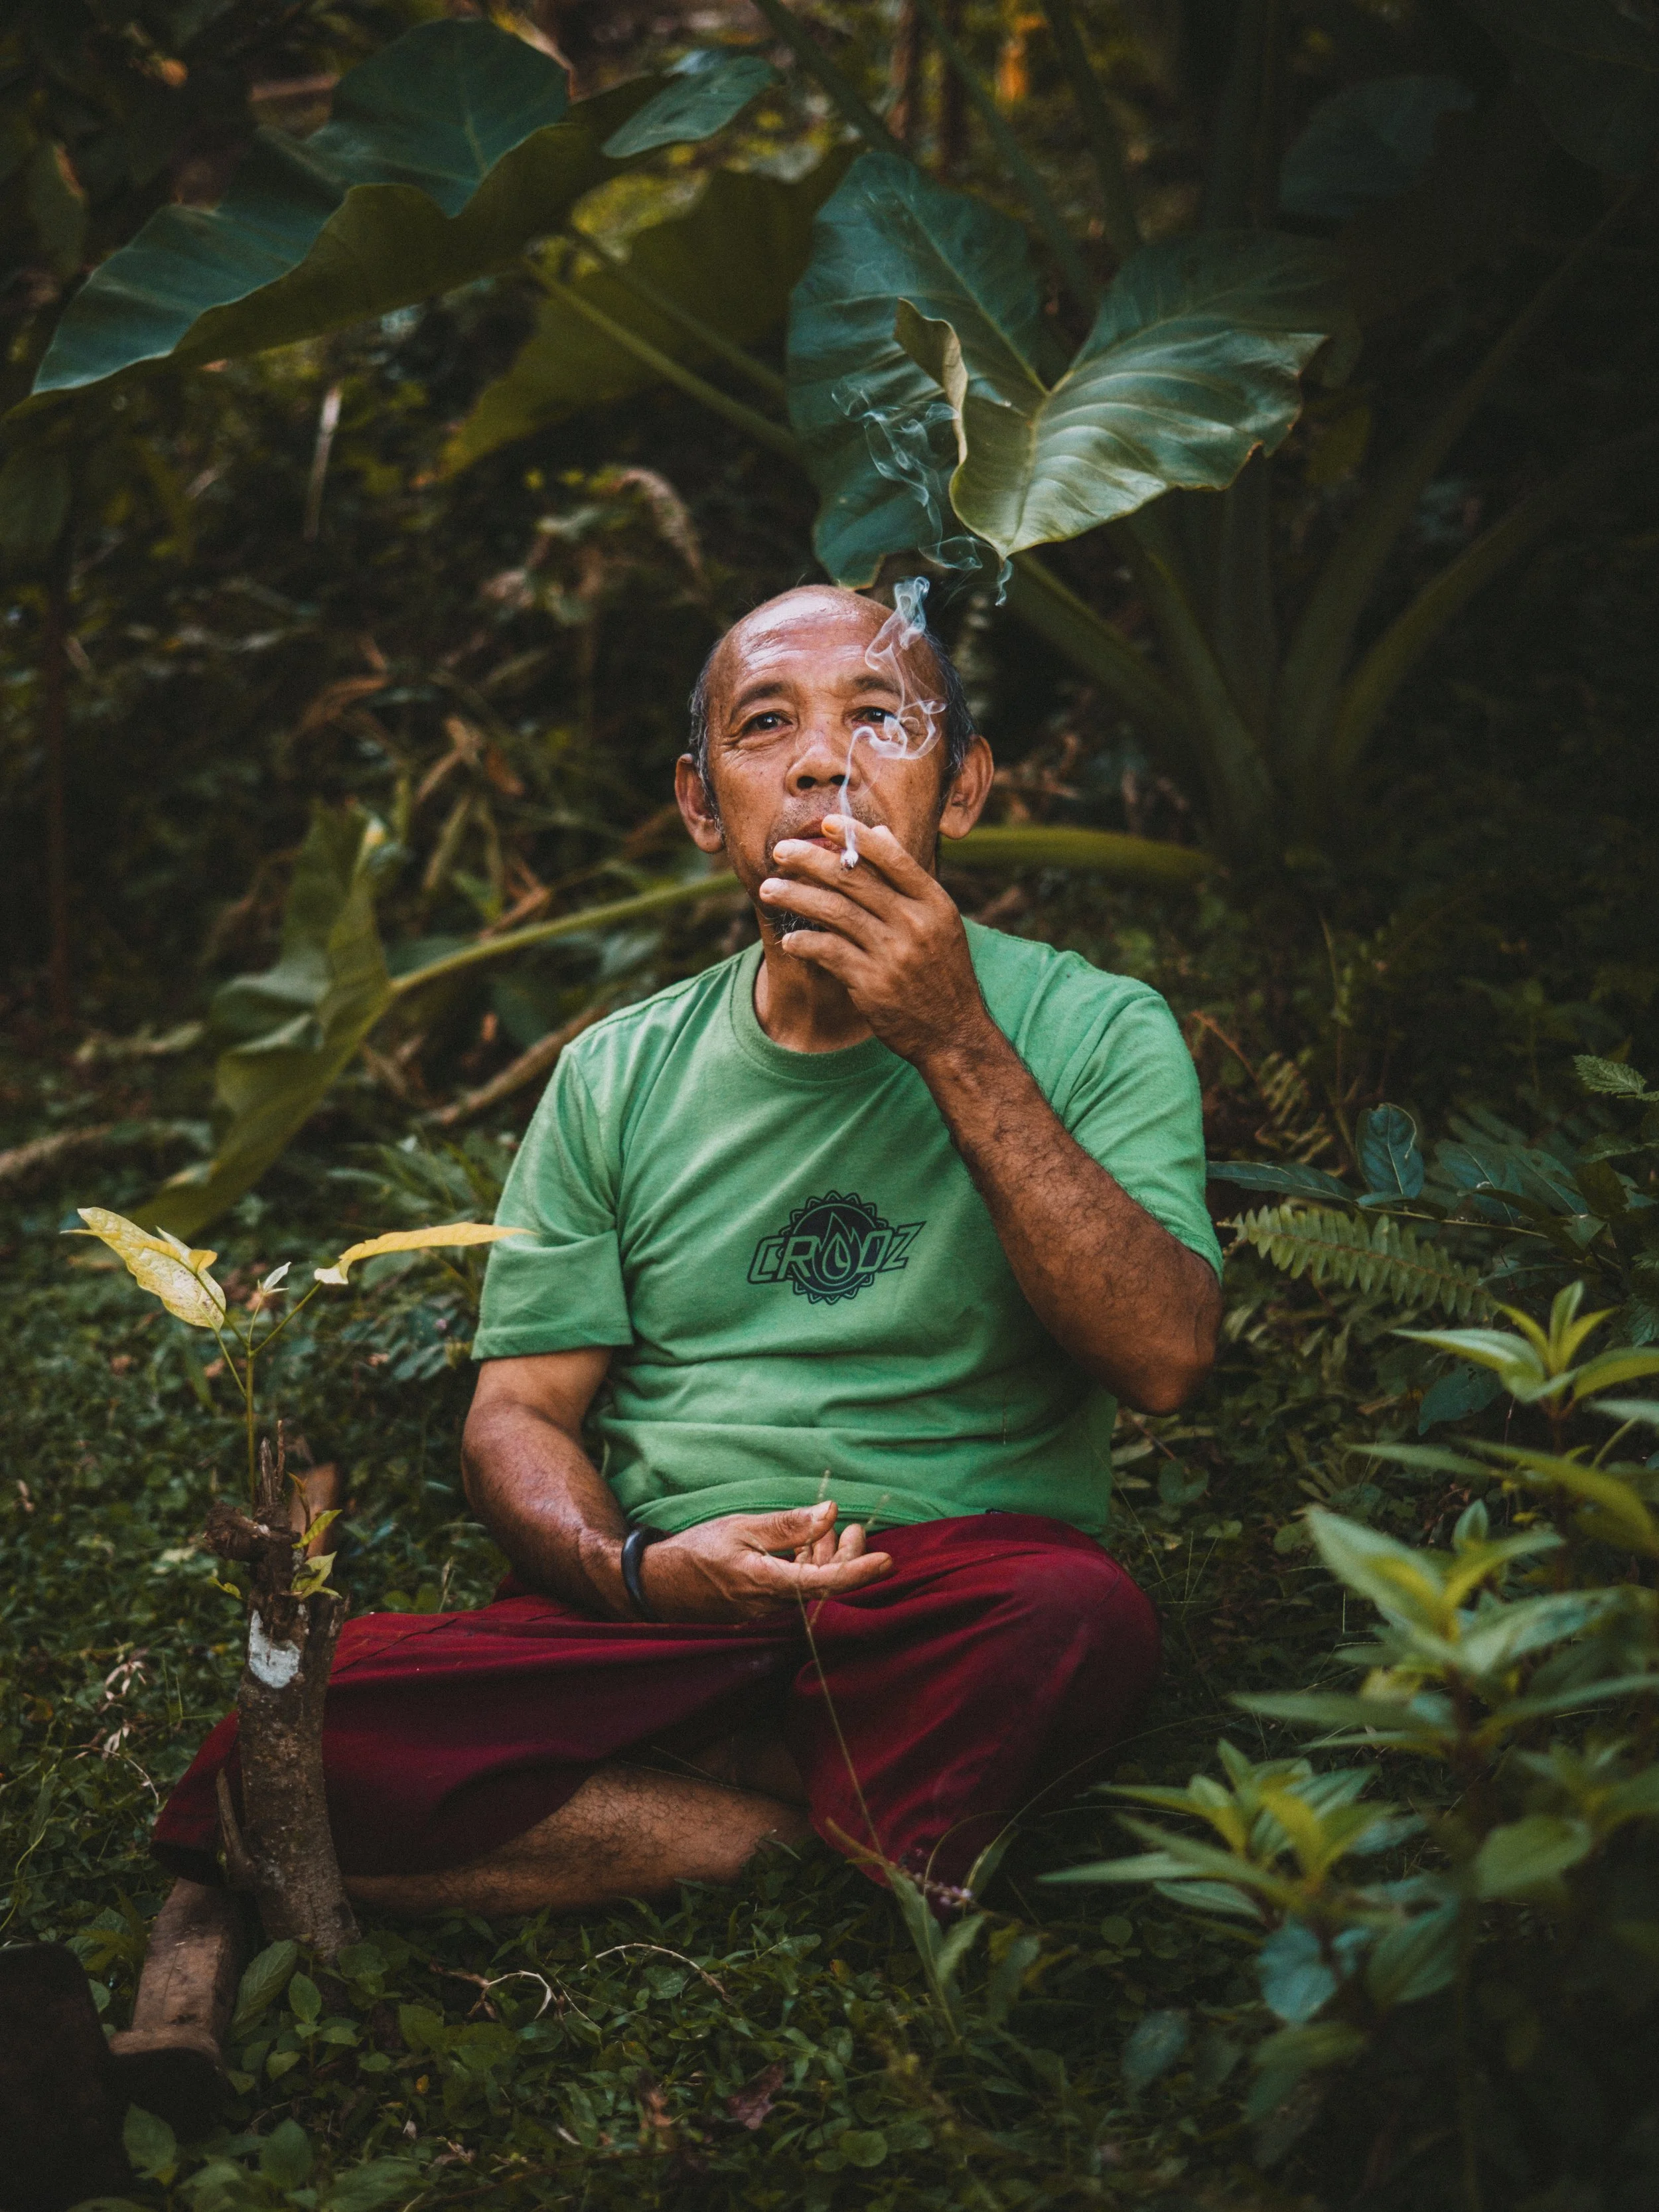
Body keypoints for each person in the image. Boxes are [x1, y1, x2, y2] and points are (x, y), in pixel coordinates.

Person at [149, 583, 1222, 1933]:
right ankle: (803, 1835)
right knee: (287, 1748)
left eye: (881, 719)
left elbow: (1165, 1356)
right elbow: (518, 1415)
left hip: (933, 1598)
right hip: (666, 1605)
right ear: (702, 804)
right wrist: (644, 1567)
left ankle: (671, 1797)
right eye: (766, 723)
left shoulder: (1095, 1026)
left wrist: (951, 1035)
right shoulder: (615, 1073)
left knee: (1074, 1620)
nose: (823, 762)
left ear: (962, 789)